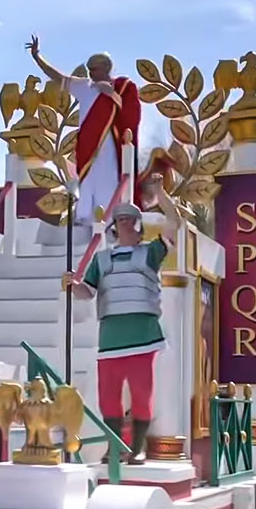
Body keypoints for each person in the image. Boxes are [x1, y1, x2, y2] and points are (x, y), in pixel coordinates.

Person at [63, 176, 180, 462]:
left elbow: (175, 222)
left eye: (131, 218)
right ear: (115, 227)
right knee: (108, 399)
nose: (126, 222)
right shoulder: (101, 260)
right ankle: (114, 447)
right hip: (111, 339)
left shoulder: (151, 252)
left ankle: (136, 448)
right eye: (122, 219)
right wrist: (71, 284)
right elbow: (86, 293)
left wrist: (161, 193)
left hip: (143, 338)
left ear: (139, 227)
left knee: (142, 396)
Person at [26, 35, 141, 225]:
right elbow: (59, 77)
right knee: (87, 181)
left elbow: (131, 117)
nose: (90, 74)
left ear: (105, 68)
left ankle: (109, 220)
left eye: (94, 69)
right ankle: (84, 217)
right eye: (88, 70)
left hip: (110, 145)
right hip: (87, 147)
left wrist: (110, 94)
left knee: (107, 180)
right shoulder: (84, 86)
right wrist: (37, 57)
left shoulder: (122, 87)